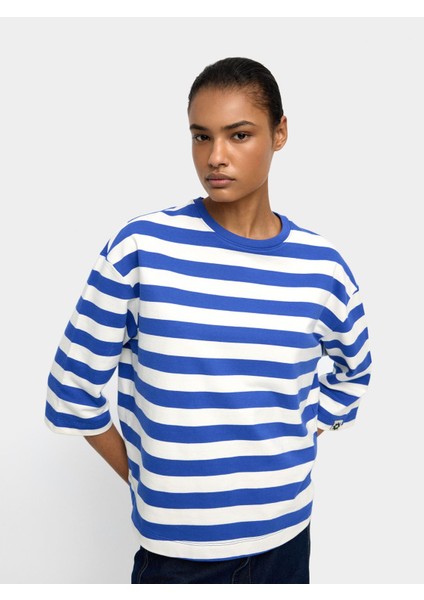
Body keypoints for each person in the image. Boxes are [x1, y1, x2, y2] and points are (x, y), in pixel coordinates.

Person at [45, 57, 372, 584]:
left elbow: (354, 371)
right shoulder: (141, 247)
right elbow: (71, 390)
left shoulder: (322, 266)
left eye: (239, 135)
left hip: (287, 540)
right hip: (176, 557)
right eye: (201, 136)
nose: (215, 156)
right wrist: (148, 483)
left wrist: (301, 431)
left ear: (280, 133)